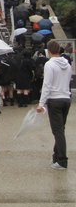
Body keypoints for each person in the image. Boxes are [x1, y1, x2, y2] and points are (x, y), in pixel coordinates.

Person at [36, 39, 72, 170]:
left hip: (55, 99)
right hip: (65, 98)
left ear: (49, 51)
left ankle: (62, 160)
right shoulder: (67, 64)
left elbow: (47, 85)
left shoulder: (49, 65)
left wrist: (41, 103)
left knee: (58, 131)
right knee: (60, 130)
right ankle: (56, 156)